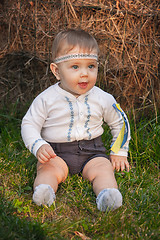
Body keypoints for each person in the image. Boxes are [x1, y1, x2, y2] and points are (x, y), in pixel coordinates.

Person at [21, 29, 131, 212]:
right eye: (75, 67)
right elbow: (29, 123)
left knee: (104, 169)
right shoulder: (47, 98)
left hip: (92, 151)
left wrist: (119, 150)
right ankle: (45, 191)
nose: (85, 74)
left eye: (91, 66)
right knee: (48, 170)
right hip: (56, 152)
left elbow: (120, 122)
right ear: (56, 71)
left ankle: (107, 195)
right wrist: (38, 144)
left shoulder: (103, 98)